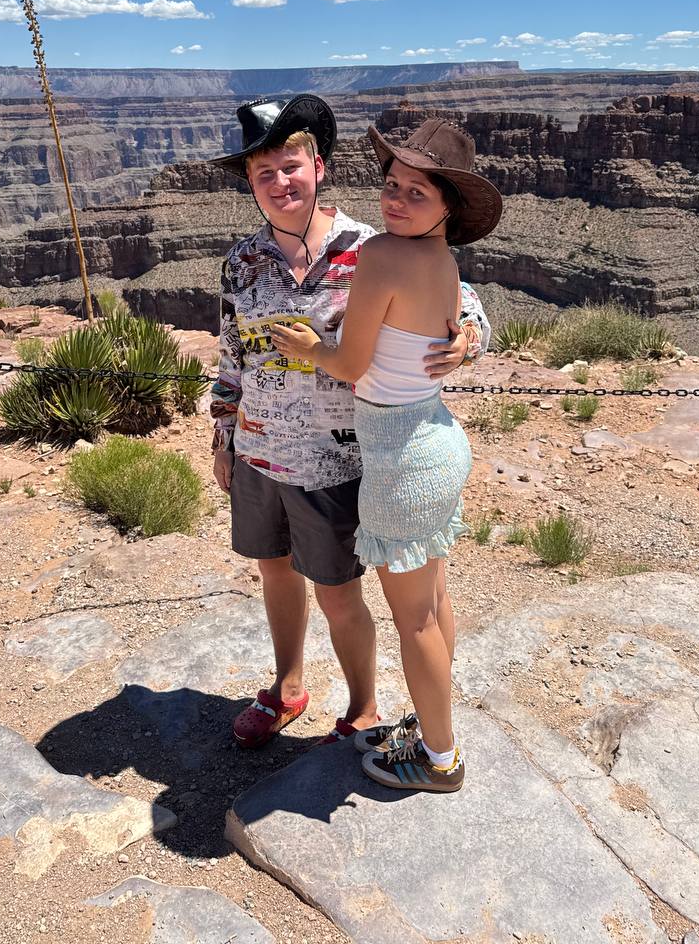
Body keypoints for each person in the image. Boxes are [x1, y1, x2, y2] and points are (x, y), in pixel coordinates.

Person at [208, 95, 492, 751]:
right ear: (250, 182)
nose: (280, 183)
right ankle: (287, 687)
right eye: (264, 173)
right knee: (274, 573)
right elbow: (231, 356)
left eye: (290, 166)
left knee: (338, 595)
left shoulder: (372, 246)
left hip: (340, 462)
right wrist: (223, 436)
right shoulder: (241, 263)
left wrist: (470, 336)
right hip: (259, 451)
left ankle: (362, 708)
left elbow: (463, 299)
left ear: (319, 166)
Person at [272, 117, 502, 792]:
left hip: (402, 461)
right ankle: (433, 725)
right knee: (432, 600)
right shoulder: (441, 259)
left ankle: (440, 759)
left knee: (415, 618)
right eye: (392, 184)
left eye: (417, 192)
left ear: (448, 207)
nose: (396, 200)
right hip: (436, 441)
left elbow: (350, 363)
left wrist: (310, 349)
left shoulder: (381, 255)